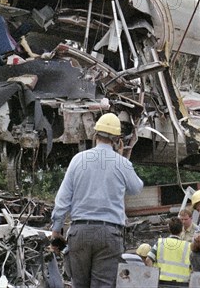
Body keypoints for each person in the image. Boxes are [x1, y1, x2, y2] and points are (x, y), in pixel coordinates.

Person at [51, 113, 144, 288]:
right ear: (117, 139)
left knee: (79, 284)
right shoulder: (121, 163)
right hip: (109, 234)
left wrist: (56, 230)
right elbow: (136, 188)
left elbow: (62, 200)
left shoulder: (78, 160)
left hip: (80, 232)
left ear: (95, 135)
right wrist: (122, 158)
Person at [145, 217, 192, 282]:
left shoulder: (160, 242)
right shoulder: (188, 246)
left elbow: (148, 260)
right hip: (182, 283)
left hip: (161, 282)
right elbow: (194, 266)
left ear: (169, 229)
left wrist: (153, 276)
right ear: (182, 229)